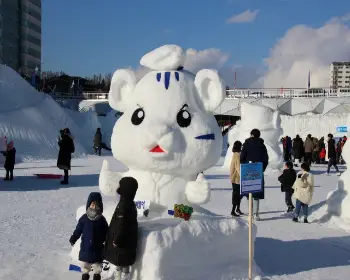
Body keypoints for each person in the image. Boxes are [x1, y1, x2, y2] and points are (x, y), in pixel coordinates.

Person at [104, 177, 139, 280]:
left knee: (121, 262)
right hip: (127, 241)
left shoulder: (124, 204)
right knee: (121, 263)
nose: (119, 188)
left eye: (121, 186)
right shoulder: (129, 202)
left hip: (122, 242)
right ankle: (120, 276)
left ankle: (123, 277)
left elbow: (122, 224)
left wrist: (117, 240)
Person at [69, 192, 109, 280]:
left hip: (98, 249)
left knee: (97, 268)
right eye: (92, 205)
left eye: (96, 205)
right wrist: (74, 238)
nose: (94, 207)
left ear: (100, 206)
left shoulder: (102, 220)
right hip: (86, 249)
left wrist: (108, 242)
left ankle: (97, 277)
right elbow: (78, 230)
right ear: (89, 205)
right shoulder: (84, 218)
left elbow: (107, 233)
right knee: (85, 268)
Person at [240, 128, 269, 221]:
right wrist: (262, 168)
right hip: (258, 169)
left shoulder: (246, 144)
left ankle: (250, 213)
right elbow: (266, 158)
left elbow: (242, 157)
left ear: (251, 134)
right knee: (256, 191)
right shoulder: (262, 145)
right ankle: (256, 214)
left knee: (249, 191)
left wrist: (244, 166)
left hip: (248, 169)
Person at [230, 141, 243, 217]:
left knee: (238, 194)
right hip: (236, 178)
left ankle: (237, 209)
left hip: (234, 177)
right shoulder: (237, 155)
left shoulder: (235, 154)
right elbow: (238, 167)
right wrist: (243, 175)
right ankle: (233, 210)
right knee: (236, 194)